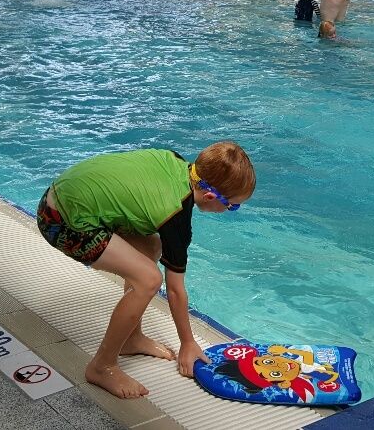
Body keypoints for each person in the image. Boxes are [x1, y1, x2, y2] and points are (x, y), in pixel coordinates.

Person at [35, 142, 256, 399]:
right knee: (149, 279)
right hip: (61, 222)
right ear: (210, 197)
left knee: (150, 246)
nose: (229, 211)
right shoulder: (175, 216)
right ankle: (102, 366)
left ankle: (131, 338)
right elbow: (174, 290)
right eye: (232, 206)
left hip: (58, 196)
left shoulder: (175, 162)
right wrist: (187, 343)